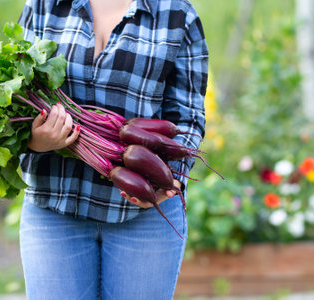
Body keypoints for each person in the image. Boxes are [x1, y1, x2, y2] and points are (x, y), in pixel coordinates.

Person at [17, 0, 208, 298]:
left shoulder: (177, 14)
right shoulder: (45, 5)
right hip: (54, 208)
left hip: (143, 211)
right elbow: (18, 92)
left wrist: (171, 182)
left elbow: (187, 116)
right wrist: (34, 140)